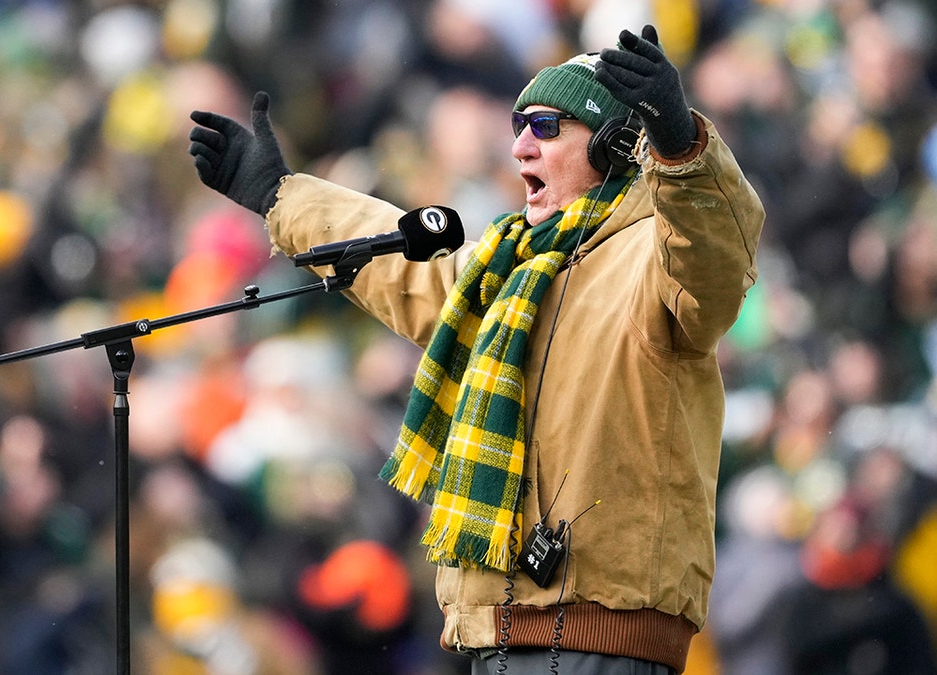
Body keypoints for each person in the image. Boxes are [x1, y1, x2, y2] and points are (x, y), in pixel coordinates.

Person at [188, 24, 764, 675]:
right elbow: (399, 261)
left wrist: (681, 144)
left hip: (603, 638)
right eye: (517, 123)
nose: (518, 146)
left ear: (612, 143)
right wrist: (280, 195)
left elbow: (716, 250)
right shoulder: (510, 266)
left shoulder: (659, 257)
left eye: (545, 126)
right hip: (499, 633)